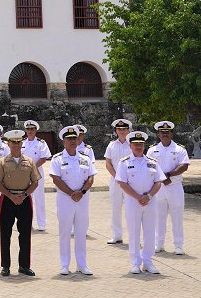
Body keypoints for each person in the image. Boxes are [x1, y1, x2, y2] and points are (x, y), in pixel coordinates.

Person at [0, 129, 40, 277]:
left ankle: (24, 265)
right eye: (13, 142)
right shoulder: (3, 162)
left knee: (25, 234)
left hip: (24, 199)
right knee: (5, 234)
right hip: (7, 199)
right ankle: (5, 266)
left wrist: (24, 195)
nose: (16, 145)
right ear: (8, 144)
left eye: (19, 142)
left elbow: (35, 182)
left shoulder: (29, 161)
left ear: (22, 143)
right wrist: (11, 196)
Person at [115, 131, 166, 274]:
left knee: (150, 231)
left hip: (150, 201)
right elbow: (122, 183)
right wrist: (138, 197)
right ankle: (135, 262)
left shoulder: (152, 162)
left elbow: (158, 182)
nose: (139, 146)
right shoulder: (124, 162)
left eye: (141, 144)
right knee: (134, 231)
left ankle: (148, 261)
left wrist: (148, 196)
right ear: (130, 146)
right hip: (133, 202)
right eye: (136, 144)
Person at [49, 126, 96, 275]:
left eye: (74, 138)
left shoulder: (85, 158)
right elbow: (56, 179)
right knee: (64, 232)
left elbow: (91, 177)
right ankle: (64, 265)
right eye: (69, 139)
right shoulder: (57, 159)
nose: (72, 141)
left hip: (82, 199)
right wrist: (71, 193)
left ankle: (82, 264)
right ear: (63, 141)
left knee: (81, 232)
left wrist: (81, 192)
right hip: (65, 200)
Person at [147, 121, 190, 255]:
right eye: (162, 132)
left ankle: (178, 245)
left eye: (167, 132)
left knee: (177, 216)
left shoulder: (179, 149)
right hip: (159, 187)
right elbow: (149, 166)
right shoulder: (152, 149)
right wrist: (161, 177)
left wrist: (169, 174)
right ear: (158, 134)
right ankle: (159, 244)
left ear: (171, 134)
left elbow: (184, 165)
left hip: (175, 186)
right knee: (159, 217)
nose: (165, 134)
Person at [104, 118, 132, 244]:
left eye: (124, 129)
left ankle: (133, 235)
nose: (121, 131)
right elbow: (108, 163)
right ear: (116, 131)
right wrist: (117, 177)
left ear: (128, 130)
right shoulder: (111, 145)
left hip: (131, 182)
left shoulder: (133, 144)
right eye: (119, 129)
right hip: (115, 181)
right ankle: (117, 235)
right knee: (115, 208)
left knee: (131, 209)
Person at [21, 120, 51, 231]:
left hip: (37, 172)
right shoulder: (22, 143)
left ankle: (42, 223)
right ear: (25, 130)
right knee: (26, 197)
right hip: (23, 173)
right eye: (28, 129)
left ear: (36, 130)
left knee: (39, 197)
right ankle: (27, 222)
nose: (30, 131)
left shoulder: (41, 143)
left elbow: (44, 158)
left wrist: (32, 168)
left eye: (32, 129)